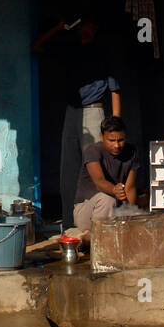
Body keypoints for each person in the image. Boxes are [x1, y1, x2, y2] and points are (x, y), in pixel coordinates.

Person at [32, 13, 121, 226]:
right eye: (83, 25)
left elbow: (115, 88)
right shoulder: (69, 49)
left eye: (90, 25)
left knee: (96, 167)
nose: (86, 29)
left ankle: (101, 224)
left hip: (93, 111)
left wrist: (115, 125)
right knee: (69, 168)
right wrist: (59, 27)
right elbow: (36, 46)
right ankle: (71, 225)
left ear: (96, 28)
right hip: (72, 112)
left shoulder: (101, 52)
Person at [73, 116, 138, 231]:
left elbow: (130, 188)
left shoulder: (131, 152)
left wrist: (131, 214)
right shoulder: (93, 152)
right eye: (111, 141)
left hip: (113, 211)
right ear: (101, 137)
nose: (117, 145)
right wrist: (114, 190)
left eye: (120, 140)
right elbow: (100, 182)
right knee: (107, 199)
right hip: (86, 212)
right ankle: (97, 236)